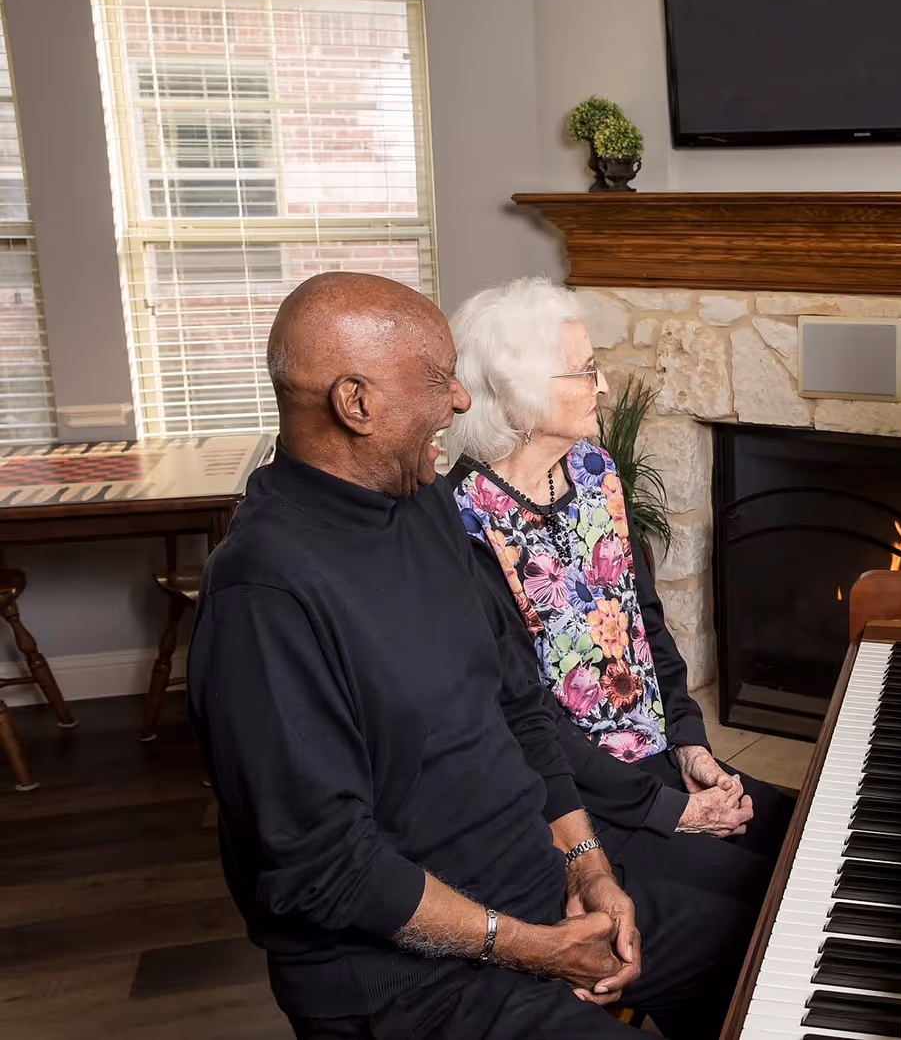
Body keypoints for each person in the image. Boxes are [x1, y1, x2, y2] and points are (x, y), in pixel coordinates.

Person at [186, 272, 754, 1039]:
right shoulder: (263, 591)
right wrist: (535, 949)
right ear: (356, 401)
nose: (460, 400)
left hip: (536, 892)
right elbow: (328, 869)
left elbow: (521, 706)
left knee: (767, 935)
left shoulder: (418, 504)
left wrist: (588, 867)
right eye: (438, 378)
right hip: (414, 982)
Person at [443, 276, 794, 910]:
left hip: (658, 762)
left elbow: (644, 623)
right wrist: (669, 811)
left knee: (799, 828)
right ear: (518, 400)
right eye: (583, 373)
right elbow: (524, 720)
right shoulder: (463, 526)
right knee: (758, 905)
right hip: (577, 806)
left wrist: (691, 744)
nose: (602, 387)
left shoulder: (594, 471)